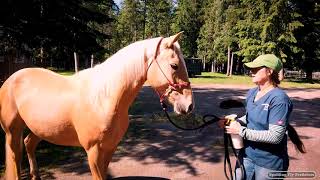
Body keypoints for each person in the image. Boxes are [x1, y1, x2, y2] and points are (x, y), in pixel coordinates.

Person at [220, 54, 306, 180]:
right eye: (251, 69)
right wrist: (232, 122)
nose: (251, 72)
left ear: (270, 71)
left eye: (256, 69)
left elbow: (275, 136)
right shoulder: (252, 92)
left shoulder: (279, 99)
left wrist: (240, 131)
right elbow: (249, 117)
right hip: (246, 156)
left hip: (270, 163)